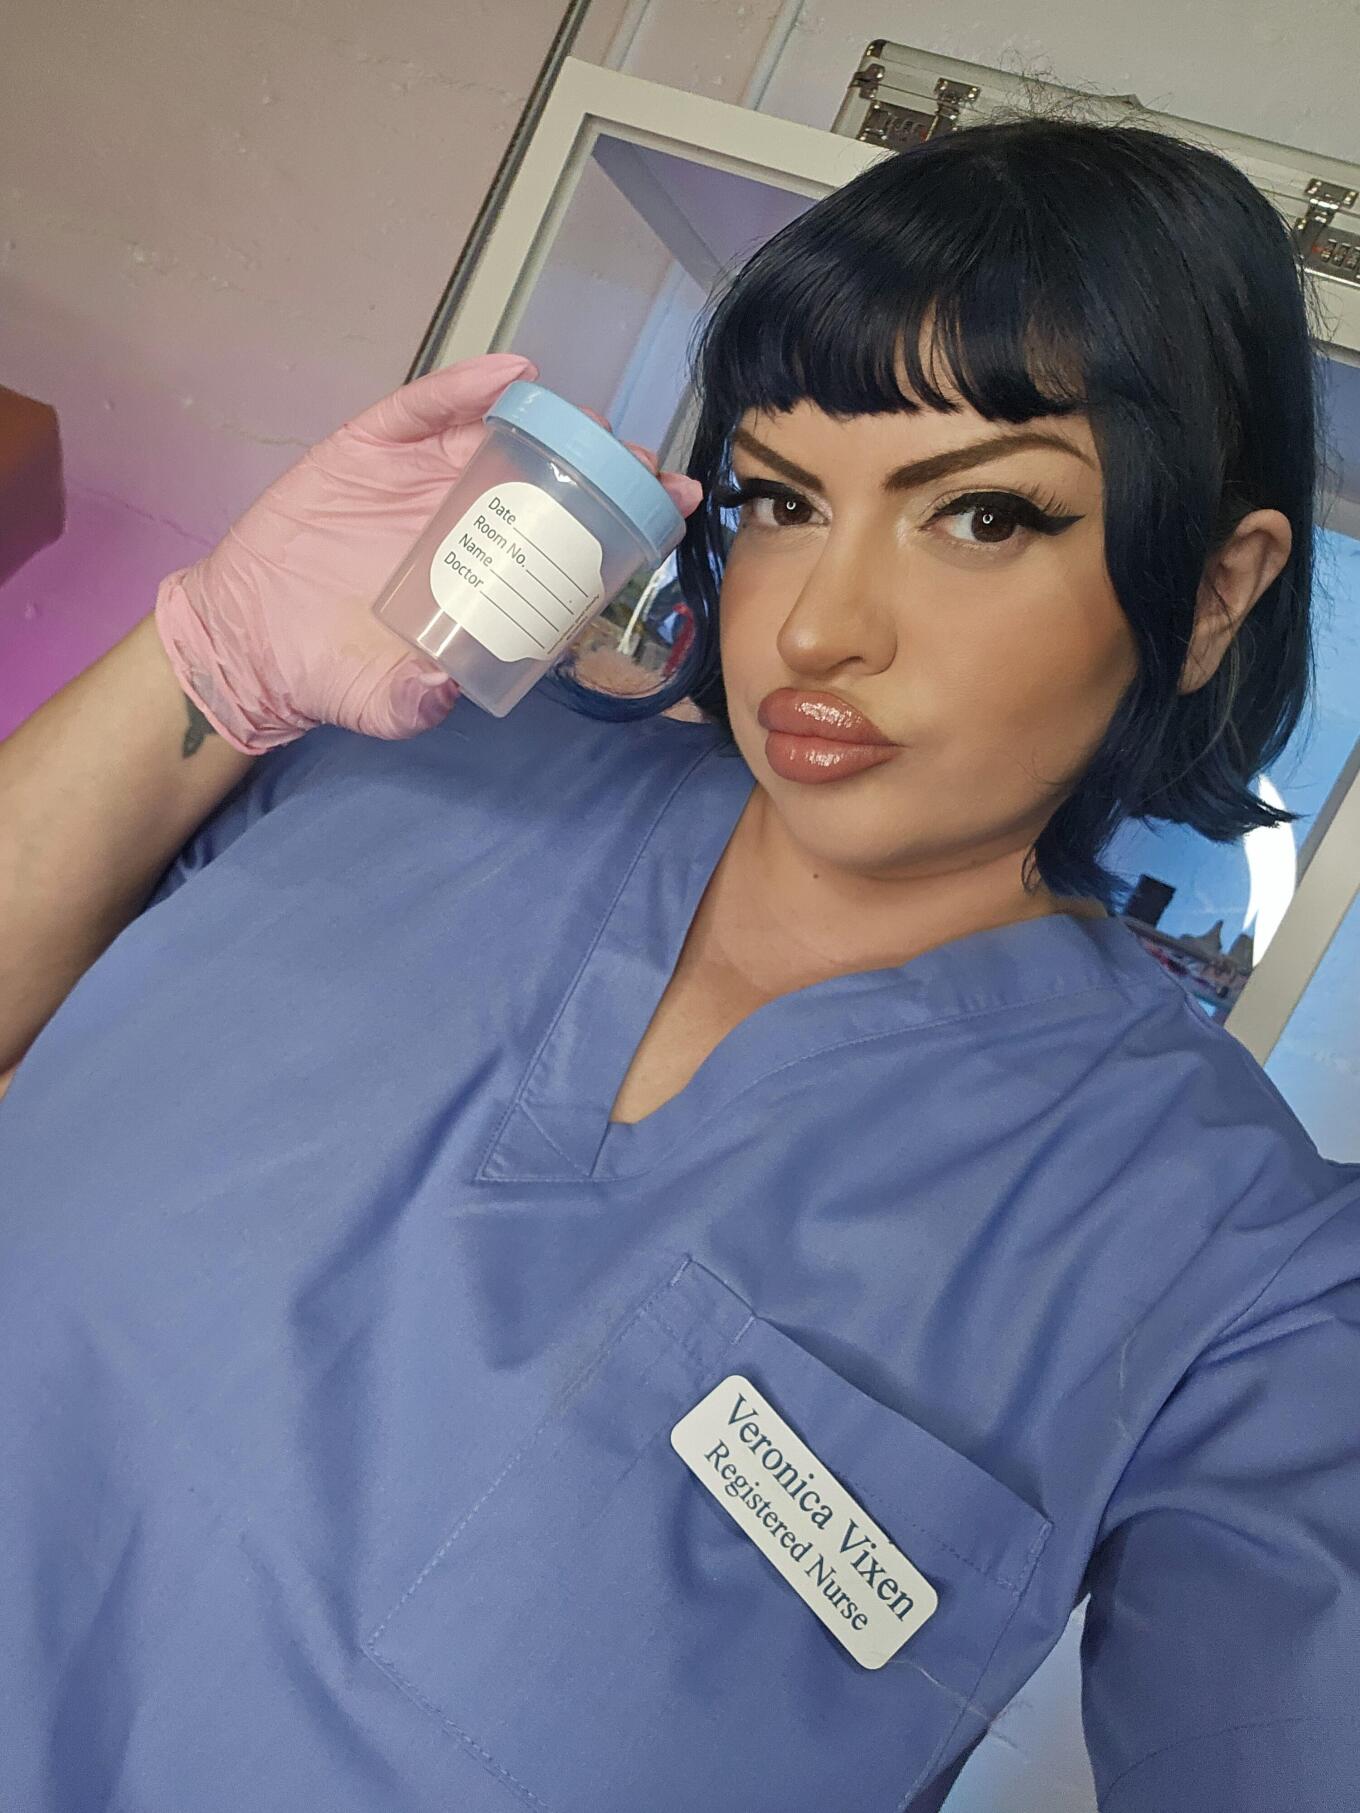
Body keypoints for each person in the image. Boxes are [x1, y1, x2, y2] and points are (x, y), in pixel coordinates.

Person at [1, 115, 1357, 1813]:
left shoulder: (1244, 1276)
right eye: (783, 498)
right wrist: (204, 656)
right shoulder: (413, 764)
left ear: (1214, 592)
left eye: (982, 515)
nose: (817, 624)